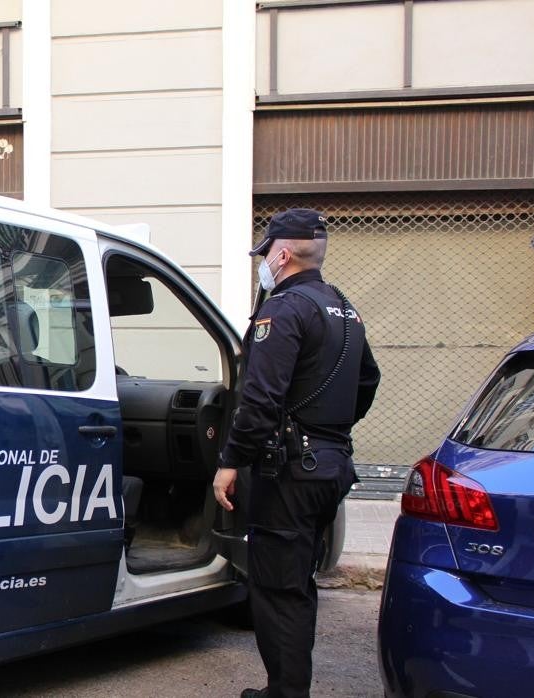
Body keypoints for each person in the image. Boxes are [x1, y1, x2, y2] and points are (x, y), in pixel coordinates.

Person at [213, 208, 380, 698]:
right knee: (297, 585)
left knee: (278, 592)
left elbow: (260, 400)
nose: (262, 263)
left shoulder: (283, 309)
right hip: (329, 466)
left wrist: (231, 461)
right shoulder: (343, 308)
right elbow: (368, 381)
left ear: (281, 254)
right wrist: (328, 430)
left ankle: (286, 694)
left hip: (287, 472)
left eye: (265, 253)